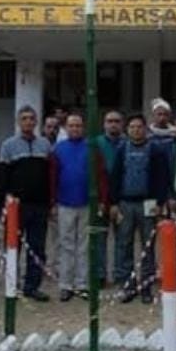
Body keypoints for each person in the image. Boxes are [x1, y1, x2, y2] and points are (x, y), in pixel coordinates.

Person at [110, 113, 171, 304]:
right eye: (132, 127)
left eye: (139, 127)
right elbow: (115, 177)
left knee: (148, 245)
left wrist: (160, 203)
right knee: (124, 244)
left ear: (145, 129)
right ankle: (127, 285)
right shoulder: (121, 149)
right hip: (125, 203)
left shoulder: (156, 149)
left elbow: (163, 177)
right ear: (127, 130)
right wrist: (114, 203)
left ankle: (146, 286)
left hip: (149, 203)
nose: (136, 130)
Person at [49, 113, 109, 301]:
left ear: (83, 128)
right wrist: (52, 202)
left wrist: (102, 200)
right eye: (71, 125)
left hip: (87, 203)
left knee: (84, 246)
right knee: (65, 244)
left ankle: (82, 284)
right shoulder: (58, 149)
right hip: (64, 203)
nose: (75, 129)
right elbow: (52, 178)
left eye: (78, 125)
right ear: (66, 128)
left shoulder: (92, 148)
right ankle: (66, 284)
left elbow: (101, 175)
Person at [0, 105, 53, 302]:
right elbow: (3, 176)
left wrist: (50, 202)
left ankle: (32, 286)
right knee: (13, 246)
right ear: (18, 122)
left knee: (37, 247)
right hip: (16, 206)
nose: (28, 122)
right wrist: (4, 201)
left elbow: (49, 175)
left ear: (36, 121)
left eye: (31, 118)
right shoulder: (8, 145)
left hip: (39, 205)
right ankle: (12, 286)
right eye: (24, 118)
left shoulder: (45, 145)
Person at [93, 110, 126, 288]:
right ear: (104, 124)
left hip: (122, 198)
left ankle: (121, 275)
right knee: (99, 239)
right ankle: (100, 275)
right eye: (109, 121)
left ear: (122, 124)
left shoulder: (128, 143)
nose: (113, 124)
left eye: (117, 121)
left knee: (123, 239)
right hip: (100, 199)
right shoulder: (95, 143)